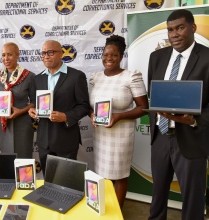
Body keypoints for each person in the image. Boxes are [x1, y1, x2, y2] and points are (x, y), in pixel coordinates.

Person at [148, 9, 209, 220]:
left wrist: (194, 120)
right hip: (161, 137)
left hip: (191, 138)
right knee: (157, 195)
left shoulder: (207, 58)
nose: (174, 34)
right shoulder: (156, 57)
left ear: (193, 28)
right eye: (170, 30)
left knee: (193, 199)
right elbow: (153, 94)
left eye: (180, 28)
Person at [88, 35, 148, 209]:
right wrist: (92, 114)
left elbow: (143, 107)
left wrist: (118, 117)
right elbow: (88, 105)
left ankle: (117, 213)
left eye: (114, 55)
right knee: (103, 174)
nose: (109, 58)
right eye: (106, 55)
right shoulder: (95, 77)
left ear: (121, 57)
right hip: (100, 134)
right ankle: (104, 208)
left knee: (119, 175)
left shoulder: (131, 76)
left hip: (121, 135)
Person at [28, 40, 90, 175]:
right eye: (43, 53)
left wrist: (66, 116)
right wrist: (31, 109)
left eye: (50, 52)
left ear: (61, 54)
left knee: (66, 183)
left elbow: (84, 106)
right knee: (48, 182)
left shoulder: (76, 76)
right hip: (44, 141)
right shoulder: (37, 79)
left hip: (66, 140)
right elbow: (34, 101)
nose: (46, 56)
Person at [0, 42, 35, 158]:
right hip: (3, 125)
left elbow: (35, 102)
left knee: (23, 159)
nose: (6, 58)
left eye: (10, 54)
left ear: (17, 55)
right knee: (7, 159)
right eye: (3, 55)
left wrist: (20, 111)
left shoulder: (29, 76)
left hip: (22, 123)